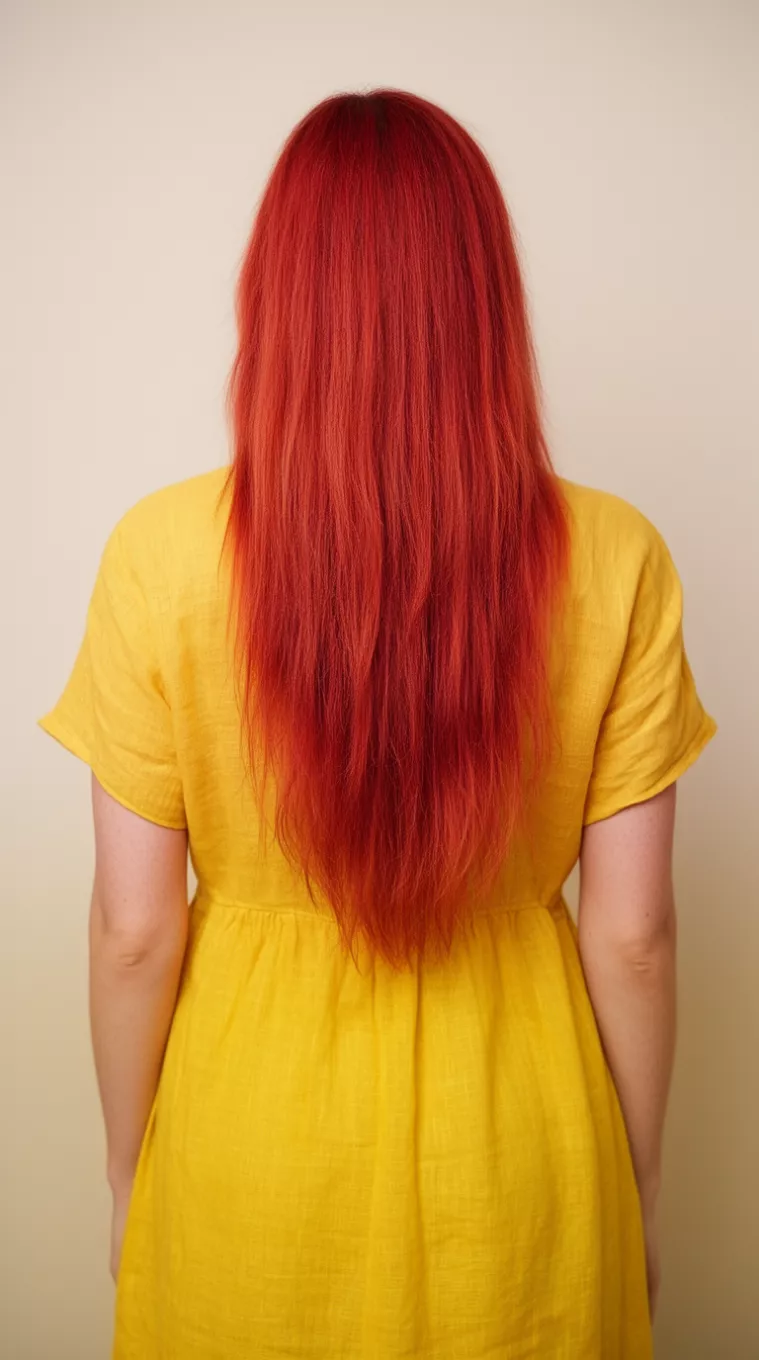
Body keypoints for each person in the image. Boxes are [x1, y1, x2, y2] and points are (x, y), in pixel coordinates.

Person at [40, 89, 716, 1360]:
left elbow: (134, 934)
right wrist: (637, 1187)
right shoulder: (619, 557)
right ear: (485, 305)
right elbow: (634, 939)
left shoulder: (158, 554)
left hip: (244, 1175)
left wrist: (134, 1174)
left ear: (277, 299)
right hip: (528, 1180)